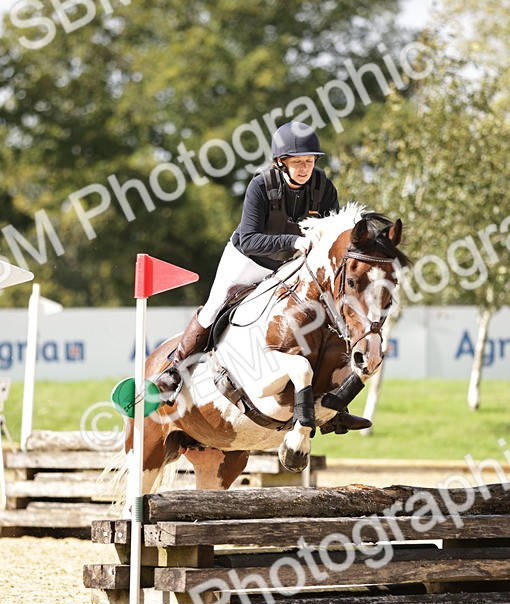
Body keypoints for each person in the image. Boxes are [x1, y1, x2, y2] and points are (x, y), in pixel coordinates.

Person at [154, 119, 371, 433]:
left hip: (293, 263)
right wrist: (292, 241)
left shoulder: (324, 188)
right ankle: (175, 372)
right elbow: (248, 239)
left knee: (326, 312)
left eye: (309, 161)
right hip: (249, 259)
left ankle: (334, 408)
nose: (304, 168)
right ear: (281, 162)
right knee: (216, 305)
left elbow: (334, 233)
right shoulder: (261, 186)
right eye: (297, 162)